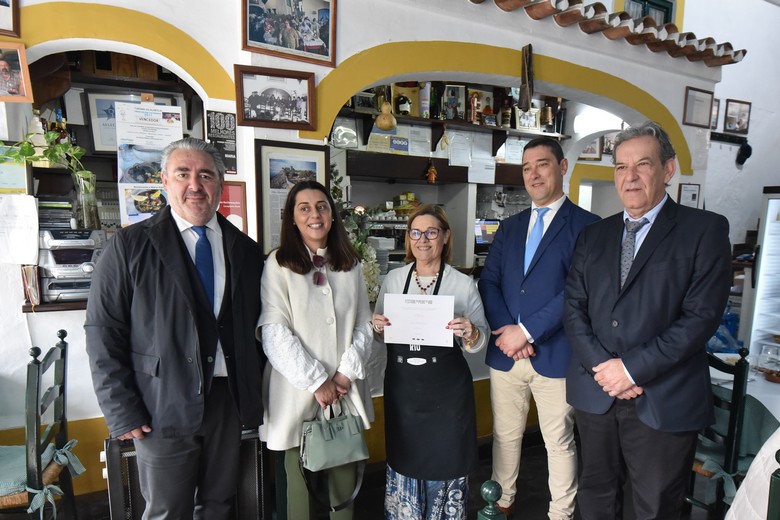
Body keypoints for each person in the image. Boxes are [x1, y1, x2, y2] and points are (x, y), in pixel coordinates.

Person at [85, 137, 265, 519]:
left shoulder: (246, 251)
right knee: (168, 511)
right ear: (165, 181)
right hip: (159, 404)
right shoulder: (129, 246)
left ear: (220, 185)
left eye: (206, 175)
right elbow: (103, 332)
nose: (195, 185)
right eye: (183, 174)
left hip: (227, 402)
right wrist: (121, 410)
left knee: (219, 506)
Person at [564, 121, 732, 519]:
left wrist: (630, 370)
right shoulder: (594, 235)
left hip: (664, 397)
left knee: (656, 507)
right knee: (595, 497)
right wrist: (606, 370)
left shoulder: (704, 230)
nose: (630, 176)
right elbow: (573, 307)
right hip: (597, 393)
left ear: (667, 169)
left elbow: (700, 318)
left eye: (643, 164)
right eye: (621, 167)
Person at [479, 137, 599, 518]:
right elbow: (489, 281)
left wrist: (526, 332)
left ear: (562, 168)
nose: (533, 174)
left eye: (542, 164)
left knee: (558, 441)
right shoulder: (510, 227)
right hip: (506, 354)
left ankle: (561, 513)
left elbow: (577, 291)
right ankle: (501, 502)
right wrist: (507, 331)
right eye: (527, 168)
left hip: (557, 355)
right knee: (505, 436)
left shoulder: (588, 226)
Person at [257, 180, 374, 520]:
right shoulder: (278, 264)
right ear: (292, 218)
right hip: (296, 392)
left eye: (321, 206)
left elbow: (364, 324)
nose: (315, 215)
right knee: (297, 490)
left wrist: (344, 374)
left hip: (343, 391)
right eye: (304, 208)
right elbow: (274, 330)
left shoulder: (350, 263)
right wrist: (318, 381)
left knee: (343, 487)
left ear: (332, 215)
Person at [372, 204, 489, 519]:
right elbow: (381, 337)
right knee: (405, 458)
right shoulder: (394, 279)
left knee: (446, 461)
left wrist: (472, 332)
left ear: (446, 237)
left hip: (447, 394)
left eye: (431, 232)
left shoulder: (462, 284)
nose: (422, 240)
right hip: (403, 391)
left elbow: (480, 343)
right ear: (408, 238)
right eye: (415, 233)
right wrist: (377, 327)